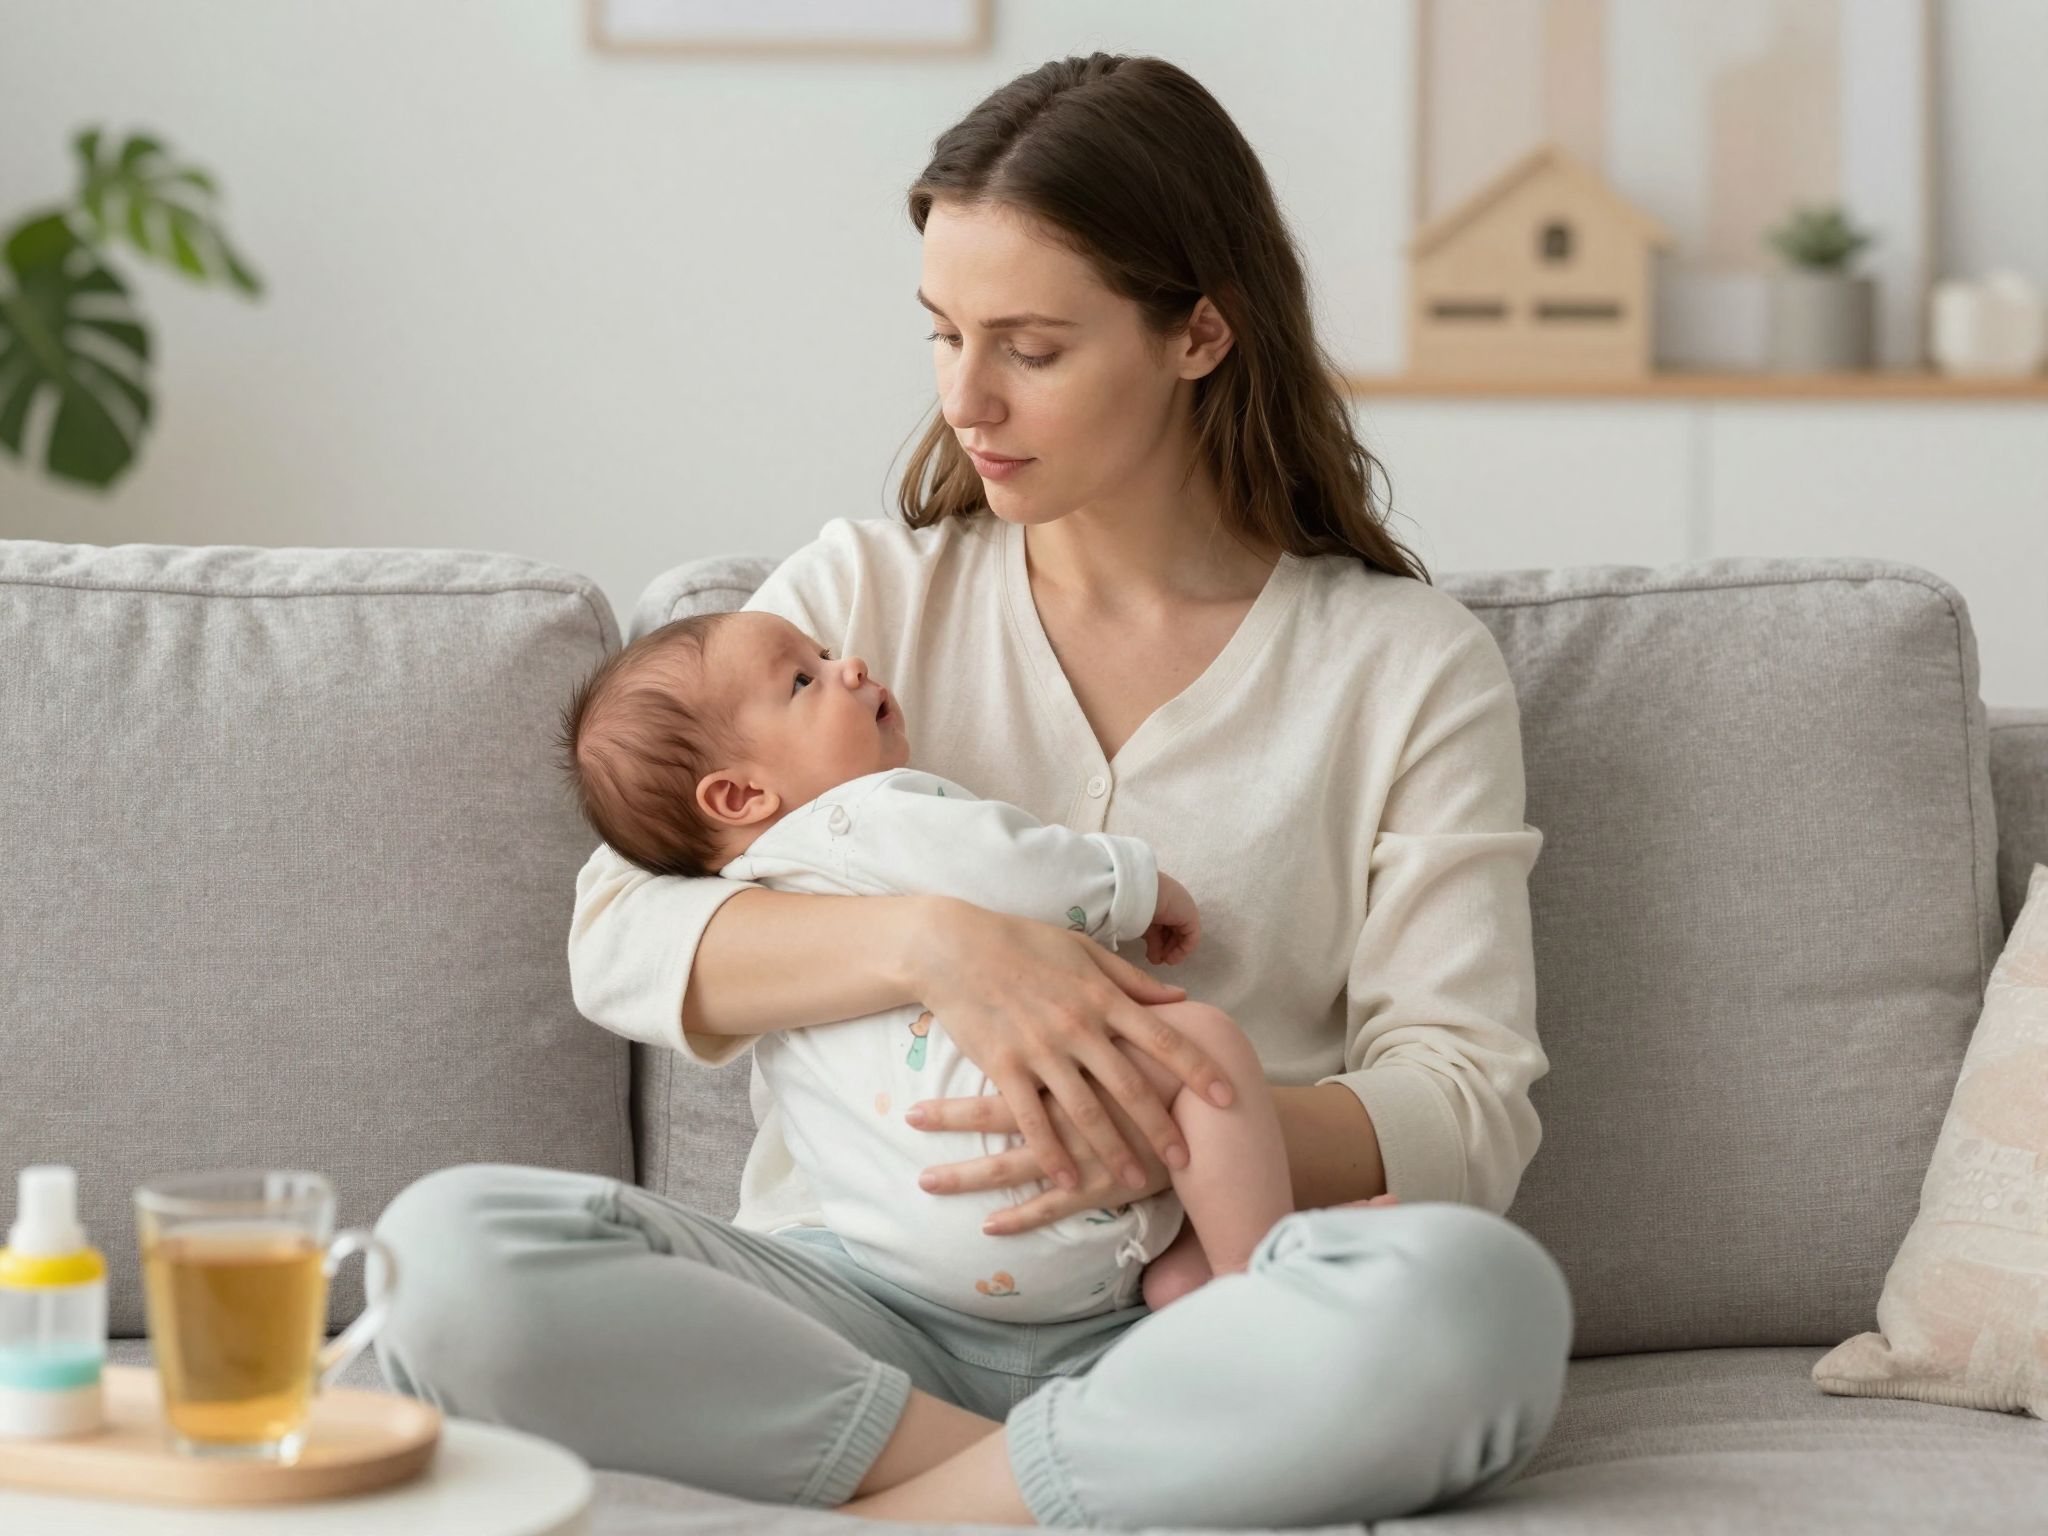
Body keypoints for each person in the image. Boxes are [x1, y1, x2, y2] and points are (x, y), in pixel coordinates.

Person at [371, 51, 1573, 1528]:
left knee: (1478, 1306)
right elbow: (620, 935)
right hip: (854, 1300)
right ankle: (1041, 1488)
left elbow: (1467, 1103)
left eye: (1032, 348)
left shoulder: (1403, 664)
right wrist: (943, 946)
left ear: (1200, 332)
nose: (968, 399)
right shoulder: (857, 598)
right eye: (943, 334)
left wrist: (1160, 1104)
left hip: (1196, 1308)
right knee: (447, 1258)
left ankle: (924, 1503)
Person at [552, 604, 1301, 1319]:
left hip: (898, 1243)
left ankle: (1174, 1266)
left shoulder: (750, 894)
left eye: (821, 651)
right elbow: (1014, 867)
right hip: (1021, 1161)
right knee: (1207, 1047)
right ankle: (1246, 1274)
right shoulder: (866, 817)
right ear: (742, 793)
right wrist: (1137, 887)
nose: (848, 664)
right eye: (804, 680)